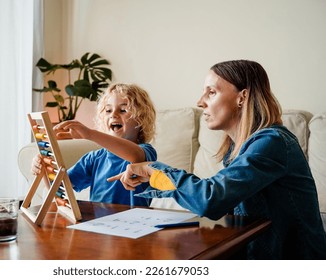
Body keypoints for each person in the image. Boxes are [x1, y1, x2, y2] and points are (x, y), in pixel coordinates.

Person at [108, 60, 326, 259]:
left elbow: (210, 199)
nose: (200, 101)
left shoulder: (272, 142)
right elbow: (221, 204)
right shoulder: (237, 148)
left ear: (242, 97)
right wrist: (153, 178)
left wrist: (151, 169)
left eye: (211, 92)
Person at [31, 83, 157, 207]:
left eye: (123, 110)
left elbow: (135, 155)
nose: (113, 114)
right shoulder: (94, 158)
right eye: (108, 110)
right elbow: (59, 187)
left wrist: (90, 134)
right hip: (98, 223)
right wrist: (45, 168)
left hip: (134, 223)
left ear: (140, 120)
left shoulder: (146, 151)